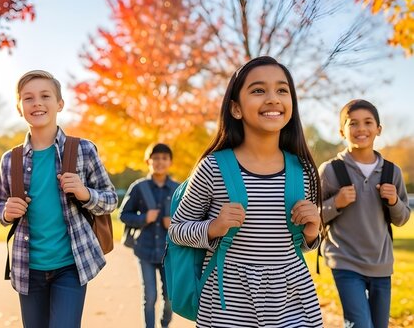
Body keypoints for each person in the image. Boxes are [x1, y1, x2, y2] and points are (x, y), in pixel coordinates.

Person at [168, 56, 323, 327]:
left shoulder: (303, 171)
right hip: (227, 302)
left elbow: (299, 245)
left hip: (293, 301)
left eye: (282, 90)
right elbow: (176, 230)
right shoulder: (214, 167)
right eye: (259, 90)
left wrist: (312, 230)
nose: (273, 98)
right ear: (236, 109)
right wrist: (213, 227)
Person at [0, 69, 118, 328]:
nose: (37, 102)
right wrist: (6, 212)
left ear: (59, 104)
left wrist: (85, 194)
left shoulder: (82, 149)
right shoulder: (11, 160)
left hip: (70, 266)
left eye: (45, 96)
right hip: (27, 268)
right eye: (28, 98)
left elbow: (110, 199)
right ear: (19, 108)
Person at [319, 99, 410, 328]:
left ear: (378, 129)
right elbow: (313, 217)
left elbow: (402, 218)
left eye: (368, 122)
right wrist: (335, 203)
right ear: (342, 131)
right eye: (353, 123)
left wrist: (394, 201)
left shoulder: (392, 171)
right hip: (345, 261)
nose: (361, 129)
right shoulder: (330, 170)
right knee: (360, 325)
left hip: (381, 263)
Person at [119, 143, 178, 328]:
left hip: (169, 253)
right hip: (144, 250)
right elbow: (123, 215)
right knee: (149, 296)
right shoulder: (139, 188)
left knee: (169, 297)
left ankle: (165, 323)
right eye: (156, 158)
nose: (160, 162)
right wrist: (145, 217)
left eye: (164, 158)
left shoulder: (179, 189)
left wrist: (174, 223)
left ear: (170, 162)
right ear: (148, 161)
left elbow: (190, 218)